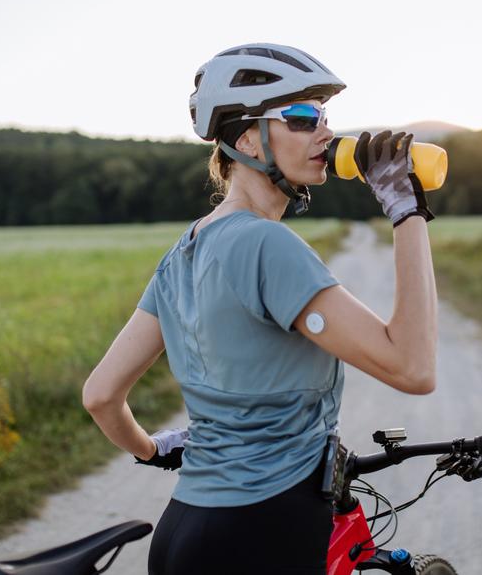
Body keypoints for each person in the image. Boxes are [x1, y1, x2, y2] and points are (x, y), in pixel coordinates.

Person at [82, 43, 438, 574]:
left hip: (184, 532)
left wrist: (156, 451)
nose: (323, 132)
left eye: (323, 116)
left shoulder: (183, 253)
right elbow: (412, 368)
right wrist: (406, 211)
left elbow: (101, 395)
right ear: (246, 138)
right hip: (265, 531)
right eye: (300, 116)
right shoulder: (269, 245)